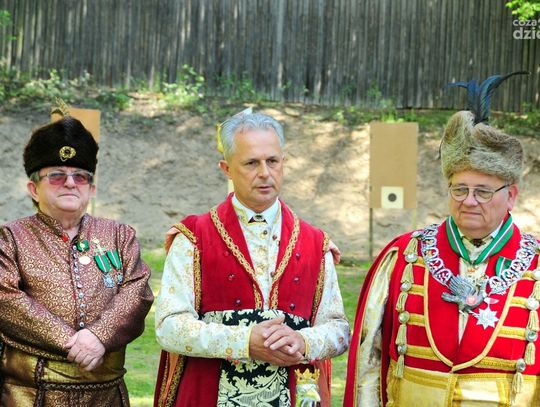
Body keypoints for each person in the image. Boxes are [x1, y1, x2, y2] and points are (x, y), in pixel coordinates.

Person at [344, 72, 539, 406]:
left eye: (483, 191)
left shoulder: (536, 263)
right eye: (459, 189)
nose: (469, 201)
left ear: (511, 196)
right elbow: (369, 363)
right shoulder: (403, 255)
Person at [154, 111, 349, 406]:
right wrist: (244, 342)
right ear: (227, 169)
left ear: (284, 162)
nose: (265, 173)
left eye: (273, 161)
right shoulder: (194, 237)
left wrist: (304, 341)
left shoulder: (315, 243)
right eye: (251, 163)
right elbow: (169, 327)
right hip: (209, 395)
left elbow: (339, 330)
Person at [0, 115, 154, 406]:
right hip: (30, 395)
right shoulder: (10, 237)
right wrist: (75, 343)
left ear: (91, 189)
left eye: (80, 176)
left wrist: (99, 336)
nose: (70, 183)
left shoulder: (120, 235)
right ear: (33, 188)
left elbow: (138, 292)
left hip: (107, 396)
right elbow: (5, 299)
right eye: (57, 176)